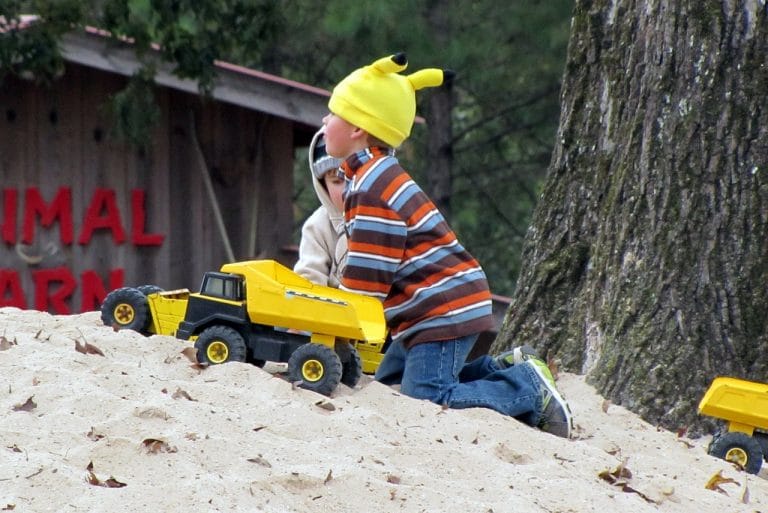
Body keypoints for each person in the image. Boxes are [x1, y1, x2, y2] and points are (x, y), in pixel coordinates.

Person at [322, 53, 573, 438]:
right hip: (430, 309)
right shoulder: (373, 174)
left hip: (439, 311)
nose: (325, 121)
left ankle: (528, 388)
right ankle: (501, 369)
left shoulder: (371, 187)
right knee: (390, 381)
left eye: (333, 112)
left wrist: (336, 312)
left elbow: (370, 275)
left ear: (358, 128)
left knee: (425, 398)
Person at [293, 128, 347, 287]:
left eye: (355, 177)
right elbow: (308, 283)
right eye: (337, 181)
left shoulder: (389, 216)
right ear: (323, 186)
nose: (347, 189)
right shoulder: (317, 227)